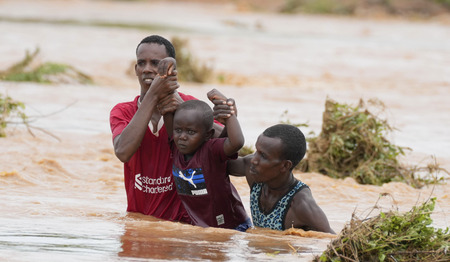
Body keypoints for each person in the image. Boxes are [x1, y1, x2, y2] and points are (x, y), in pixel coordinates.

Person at [109, 35, 221, 223]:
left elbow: (227, 145)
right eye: (141, 63)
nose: (147, 69)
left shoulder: (190, 106)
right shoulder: (123, 111)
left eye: (155, 63)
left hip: (183, 224)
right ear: (135, 69)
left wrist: (181, 108)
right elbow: (122, 152)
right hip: (139, 221)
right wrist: (153, 95)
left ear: (171, 71)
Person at [161, 89, 252, 232]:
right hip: (203, 228)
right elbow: (166, 108)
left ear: (208, 135)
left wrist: (230, 114)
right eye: (178, 130)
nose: (182, 136)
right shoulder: (176, 147)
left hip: (234, 227)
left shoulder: (211, 150)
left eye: (191, 132)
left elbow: (237, 142)